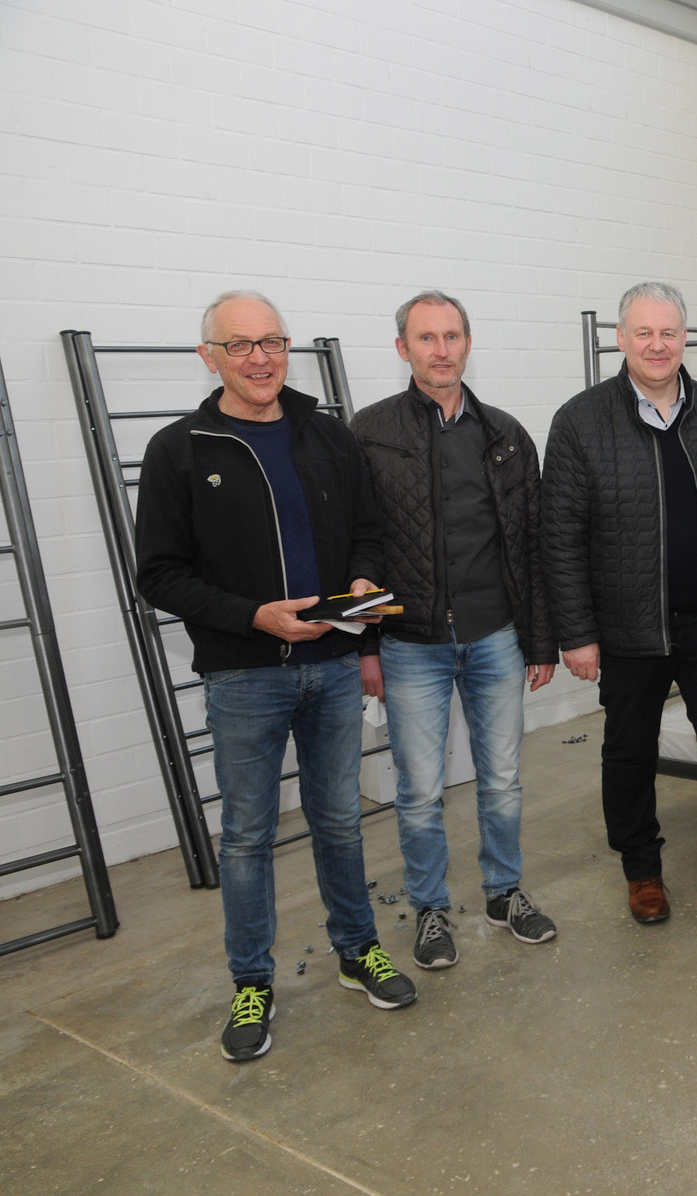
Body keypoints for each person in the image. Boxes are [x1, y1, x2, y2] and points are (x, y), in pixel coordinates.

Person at [135, 291, 415, 1063]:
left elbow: (367, 530)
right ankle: (251, 982)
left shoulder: (326, 435)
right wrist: (253, 616)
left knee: (339, 821)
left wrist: (362, 581)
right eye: (240, 345)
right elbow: (157, 575)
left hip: (329, 667)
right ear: (210, 357)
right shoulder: (180, 450)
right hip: (243, 676)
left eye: (272, 342)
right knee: (248, 838)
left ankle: (358, 949)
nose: (259, 358)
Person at [541, 282, 697, 925]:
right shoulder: (580, 421)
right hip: (626, 629)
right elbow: (560, 534)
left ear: (684, 339)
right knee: (629, 754)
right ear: (620, 339)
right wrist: (576, 631)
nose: (657, 344)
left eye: (669, 333)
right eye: (643, 333)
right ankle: (642, 873)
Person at [352, 291, 559, 970]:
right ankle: (432, 909)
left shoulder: (504, 435)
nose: (440, 350)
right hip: (409, 645)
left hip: (495, 636)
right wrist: (365, 645)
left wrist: (539, 639)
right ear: (402, 348)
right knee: (418, 791)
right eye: (425, 338)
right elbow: (358, 545)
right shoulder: (371, 432)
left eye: (452, 336)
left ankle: (504, 892)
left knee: (502, 779)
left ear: (468, 344)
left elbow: (532, 545)